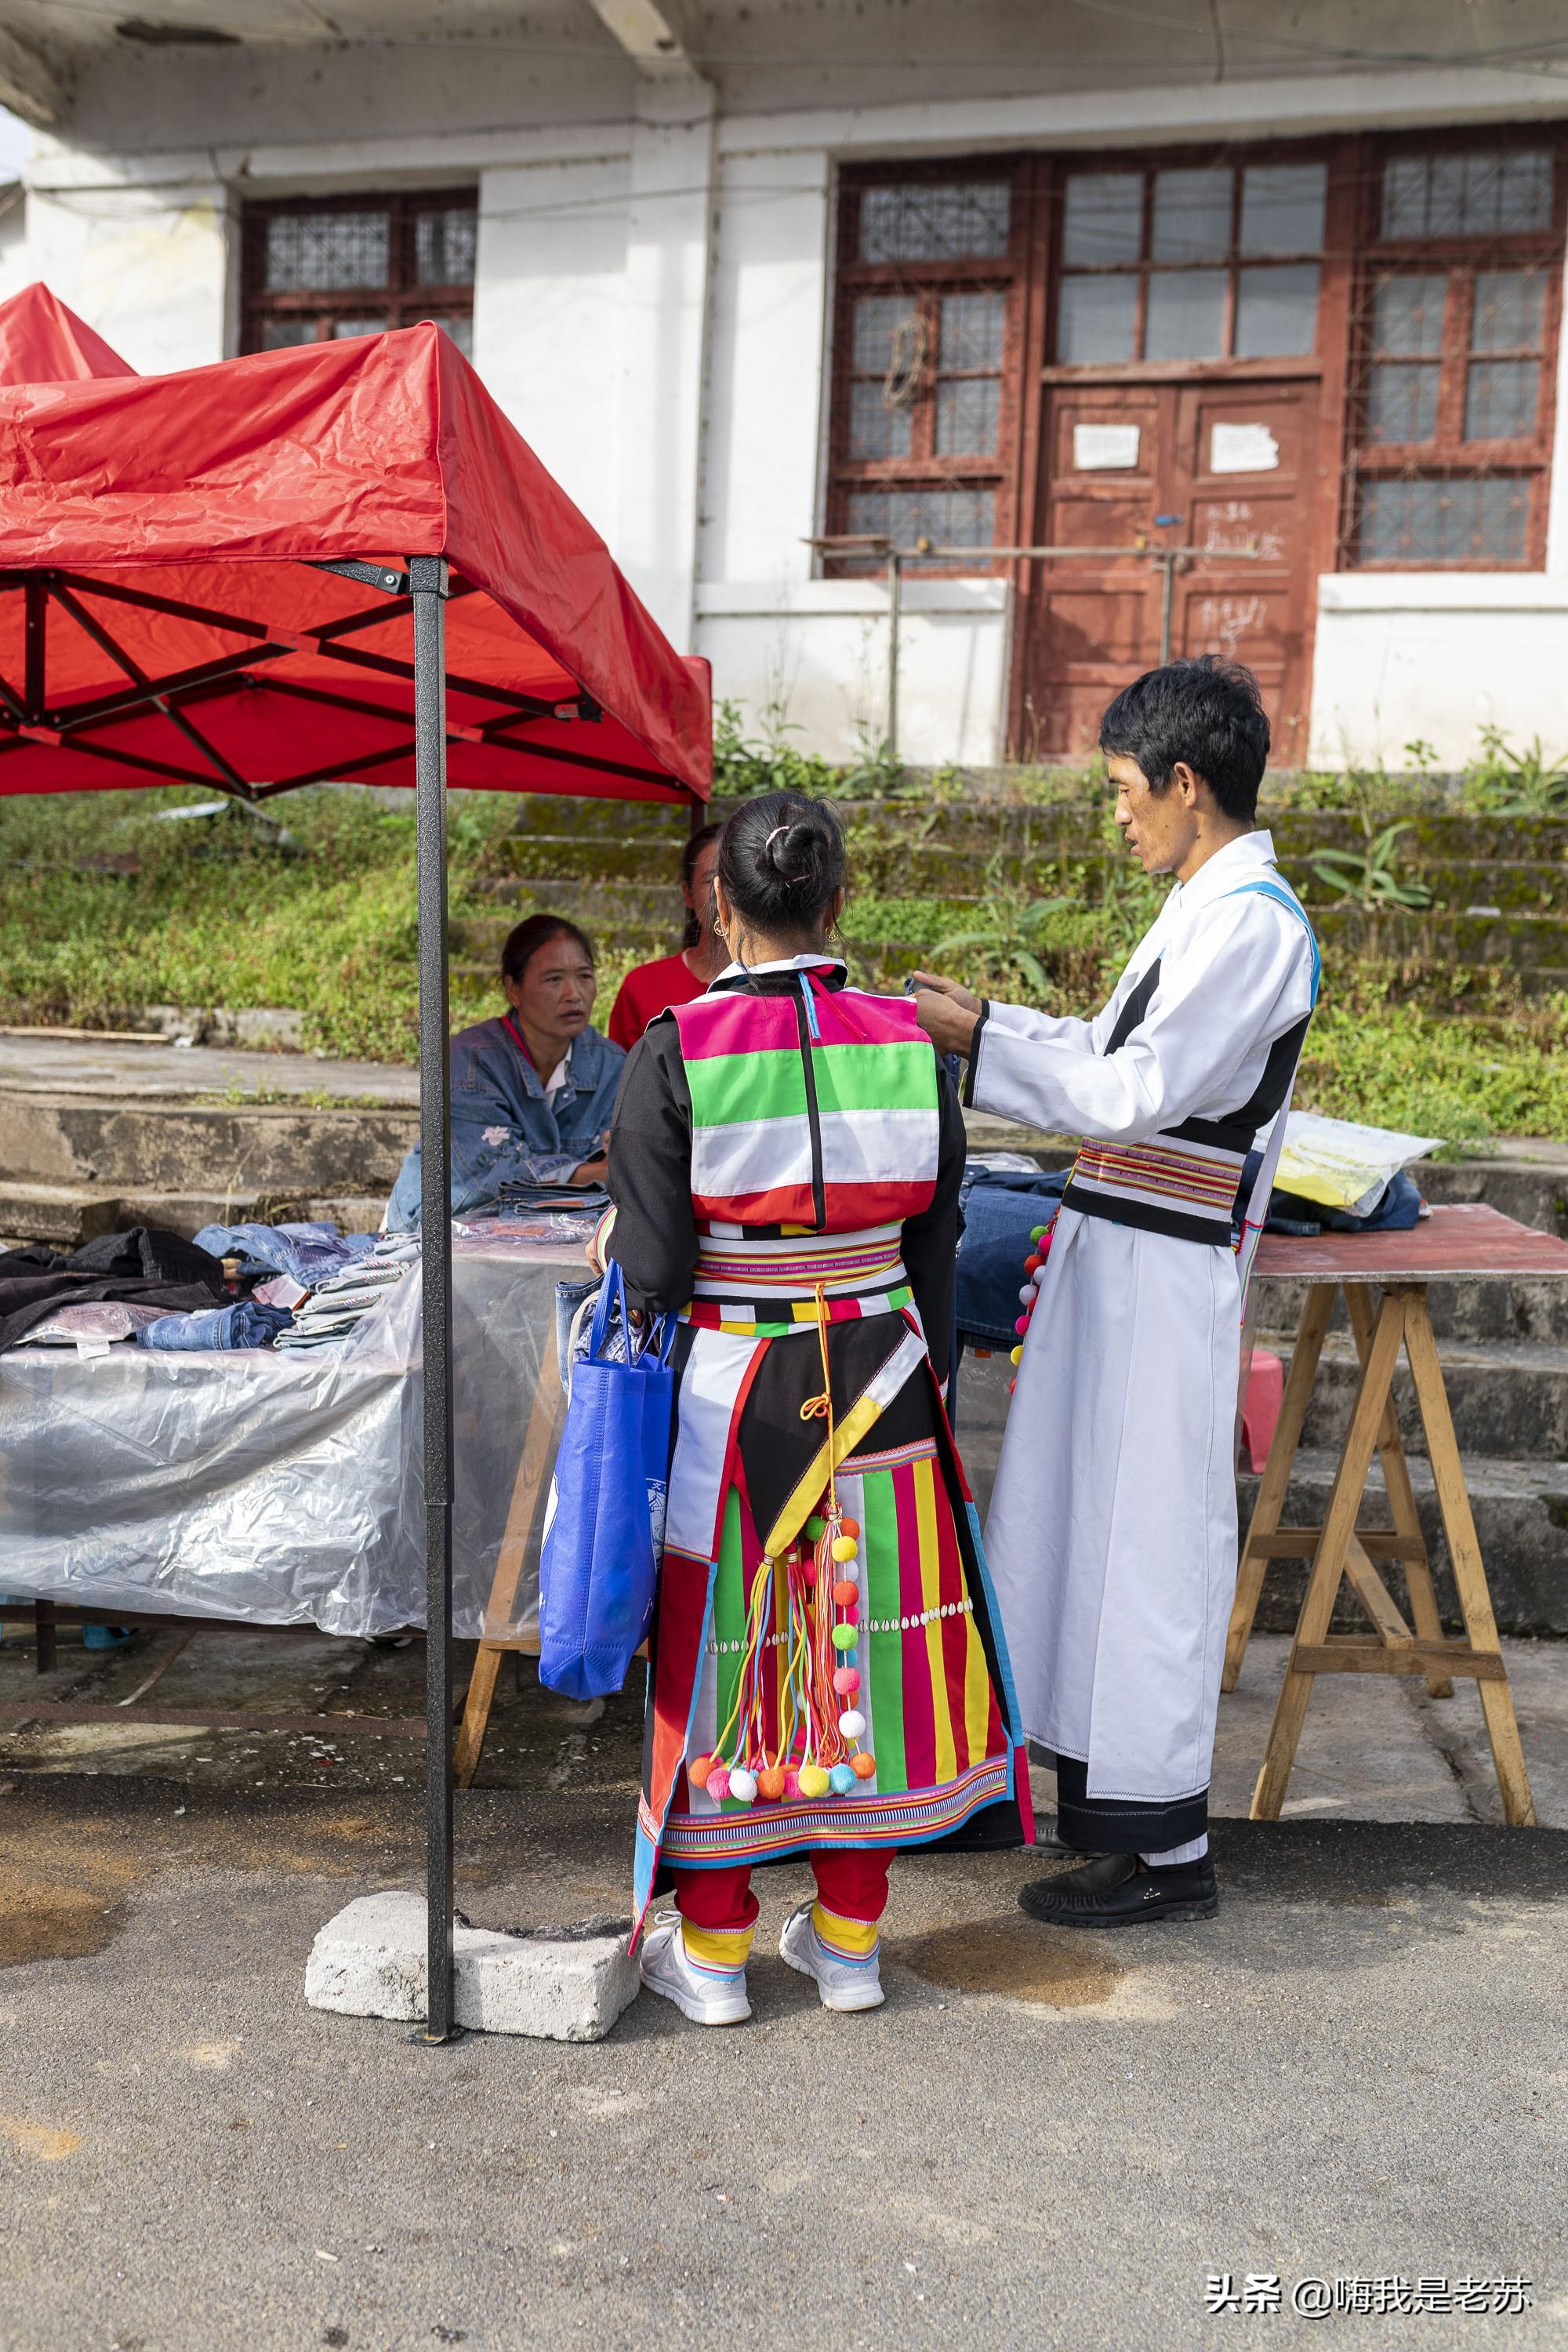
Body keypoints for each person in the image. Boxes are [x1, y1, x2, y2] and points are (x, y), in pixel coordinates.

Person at [597, 789, 1031, 2026]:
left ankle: (719, 1957)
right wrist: (925, 1364)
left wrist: (623, 1248)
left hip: (738, 1387)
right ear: (839, 902)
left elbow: (658, 1269)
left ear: (719, 903)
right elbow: (940, 1236)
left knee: (736, 1648)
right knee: (874, 1651)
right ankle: (848, 1949)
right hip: (889, 1378)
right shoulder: (908, 1040)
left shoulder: (678, 1045)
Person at [913, 657, 1319, 1929]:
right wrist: (994, 1029)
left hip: (1165, 1268)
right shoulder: (1203, 904)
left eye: (1124, 791)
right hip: (1118, 1256)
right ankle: (1111, 1823)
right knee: (1082, 1533)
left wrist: (982, 1038)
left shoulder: (1252, 923)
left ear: (1188, 786)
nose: (1118, 815)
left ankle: (1169, 1851)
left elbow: (1134, 1097)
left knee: (1144, 1551)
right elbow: (1104, 1060)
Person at [386, 914, 623, 1229]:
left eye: (584, 976)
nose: (573, 994)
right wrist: (595, 1173)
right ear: (513, 989)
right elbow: (496, 1172)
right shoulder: (472, 1059)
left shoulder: (612, 1063)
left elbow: (631, 1161)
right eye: (554, 979)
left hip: (549, 1231)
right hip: (441, 1226)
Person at [606, 821, 724, 1048]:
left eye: (736, 879)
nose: (724, 891)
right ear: (688, 894)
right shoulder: (642, 986)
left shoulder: (775, 986)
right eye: (711, 880)